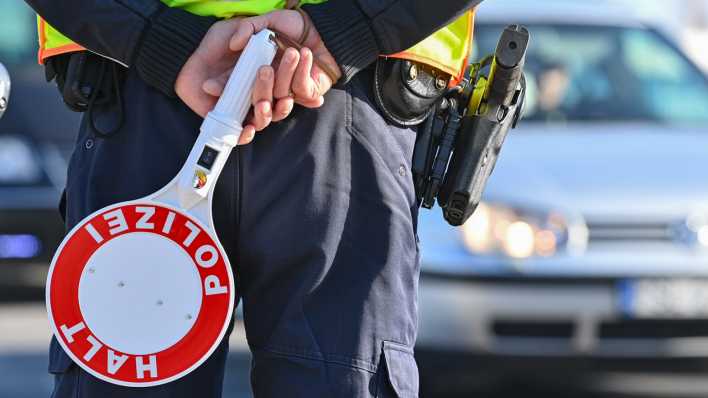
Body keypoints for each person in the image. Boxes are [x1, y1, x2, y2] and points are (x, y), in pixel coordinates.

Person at [24, 1, 483, 396]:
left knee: (129, 361)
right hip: (347, 105)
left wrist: (152, 36)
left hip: (144, 93)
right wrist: (351, 28)